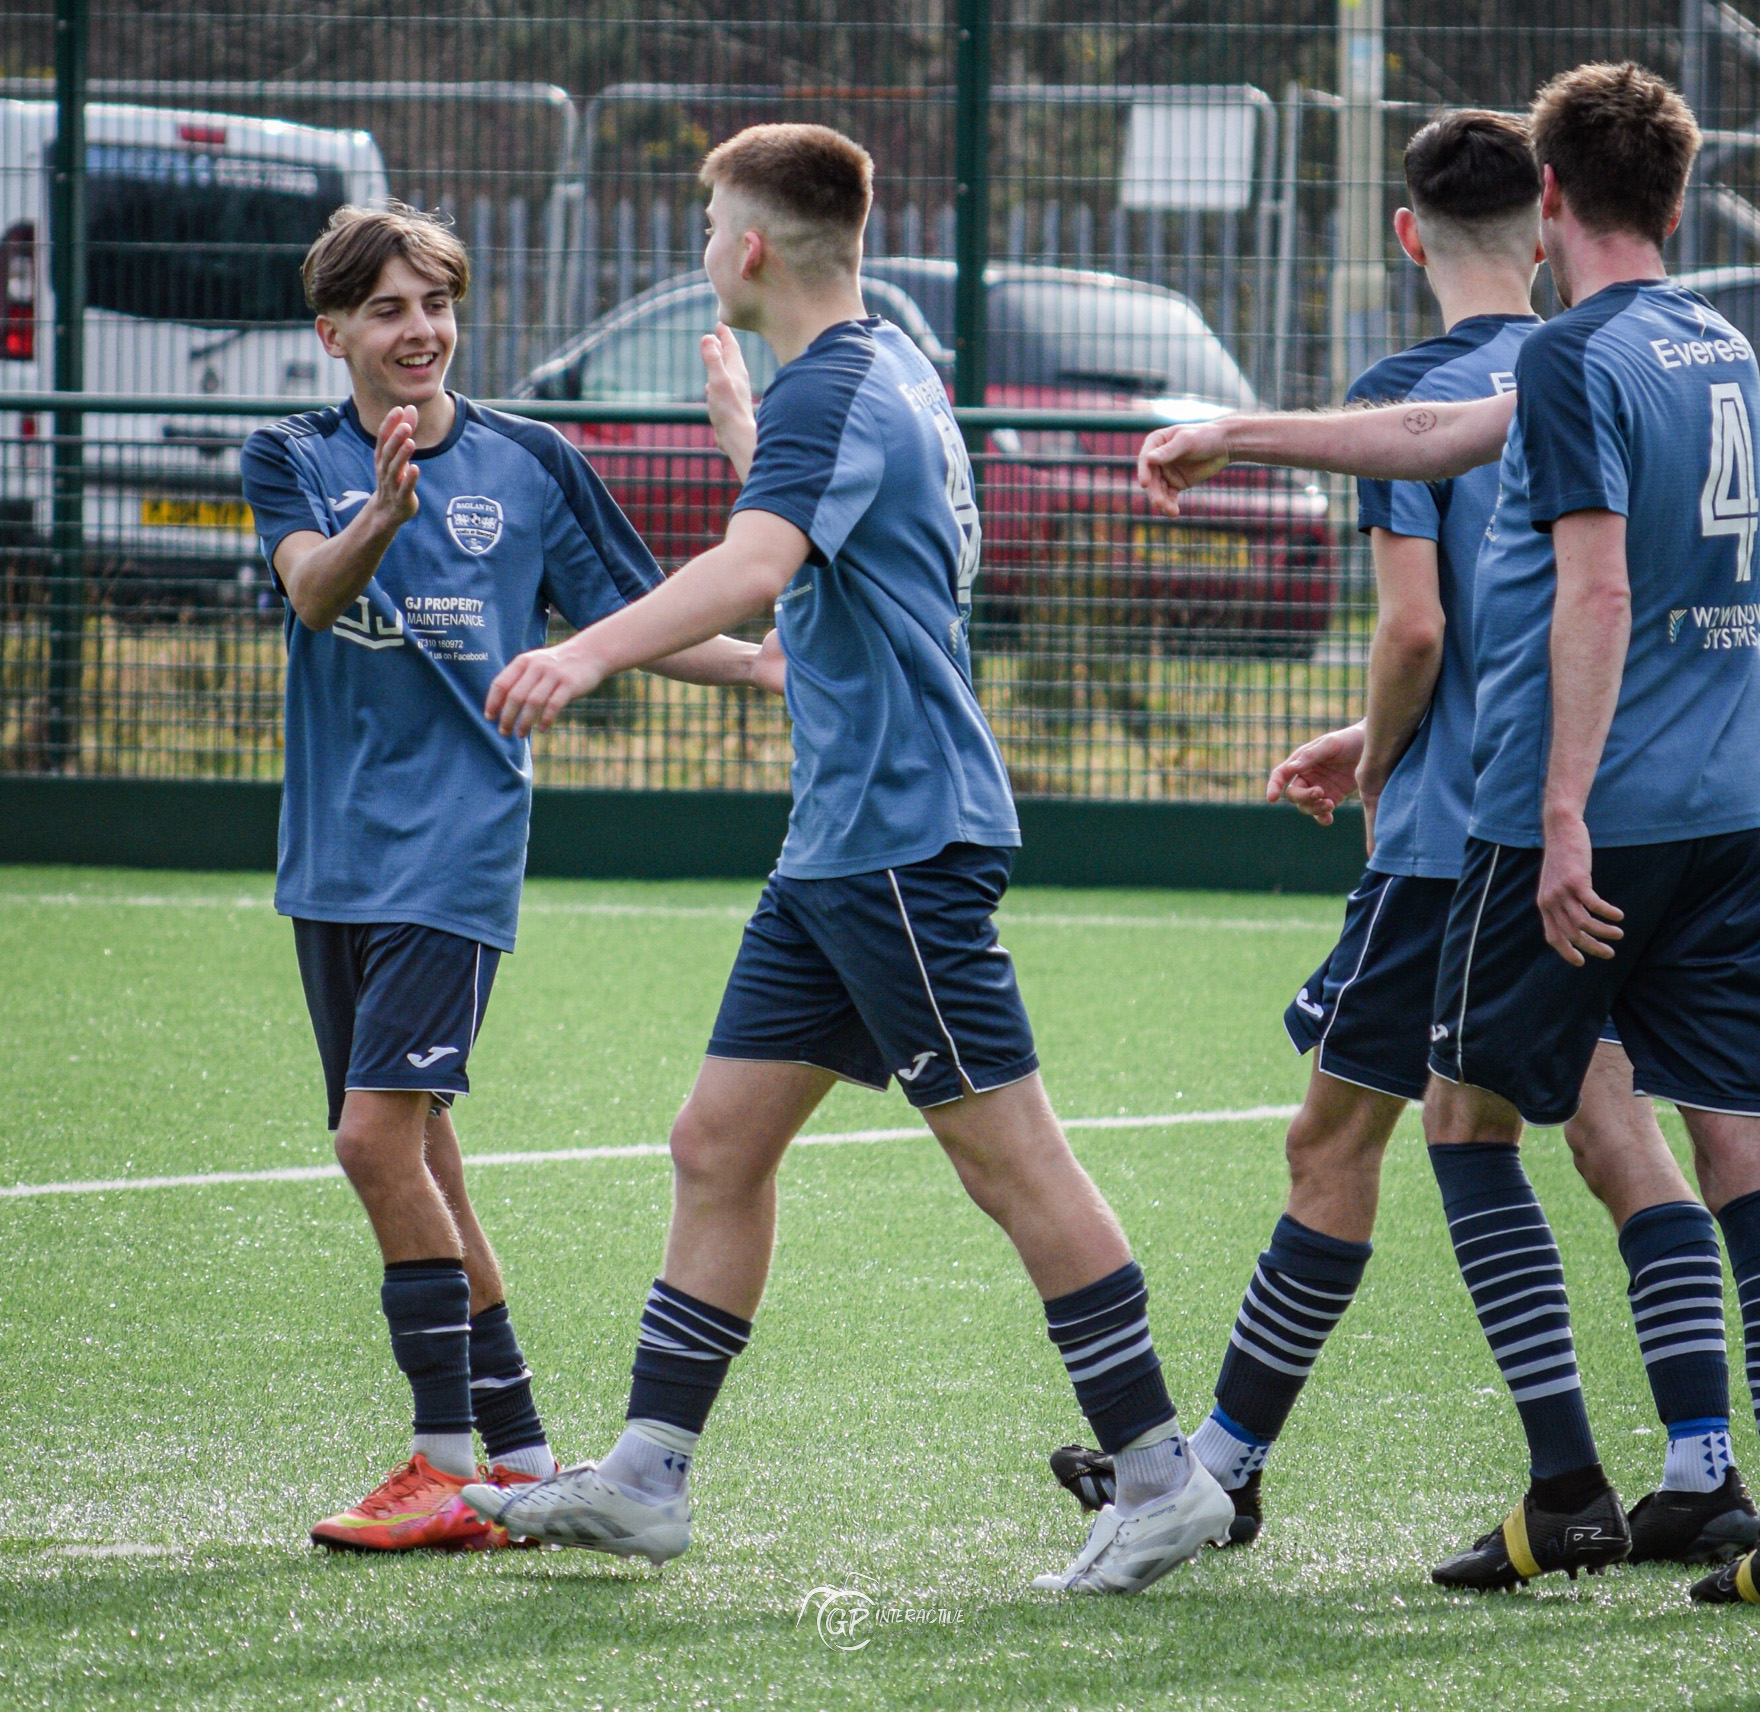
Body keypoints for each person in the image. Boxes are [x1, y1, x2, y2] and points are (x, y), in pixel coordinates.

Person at [459, 122, 1236, 1592]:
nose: (701, 246)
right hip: (843, 850)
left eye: (706, 223)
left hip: (898, 846)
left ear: (750, 248)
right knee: (716, 1144)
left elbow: (757, 566)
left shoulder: (837, 387)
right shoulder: (885, 371)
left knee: (1014, 1163)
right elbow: (830, 542)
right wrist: (751, 439)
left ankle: (1158, 1478)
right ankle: (646, 1477)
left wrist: (585, 653)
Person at [1052, 109, 1748, 1568]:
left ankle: (1324, 1474)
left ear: (1420, 226)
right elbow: (1472, 476)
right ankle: (1700, 1462)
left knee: (1399, 1129)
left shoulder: (1529, 361)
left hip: (1501, 828)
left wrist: (1527, 803)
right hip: (1714, 805)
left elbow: (1459, 612)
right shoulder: (1714, 351)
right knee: (1660, 1134)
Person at [239, 202, 777, 1552]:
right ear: (335, 333)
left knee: (372, 1142)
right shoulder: (288, 456)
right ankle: (524, 1451)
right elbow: (312, 590)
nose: (417, 332)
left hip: (458, 849)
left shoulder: (533, 461)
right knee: (424, 1162)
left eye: (434, 305)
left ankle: (436, 1463)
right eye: (386, 311)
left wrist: (768, 663)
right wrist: (379, 514)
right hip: (332, 860)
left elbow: (636, 618)